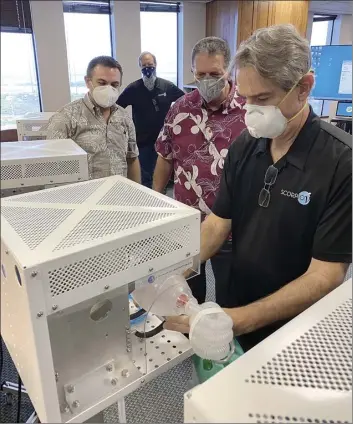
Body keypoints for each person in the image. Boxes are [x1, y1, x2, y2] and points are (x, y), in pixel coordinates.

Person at [165, 24, 352, 352]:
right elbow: (219, 223)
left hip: (296, 326)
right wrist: (174, 269)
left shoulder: (340, 162)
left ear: (304, 87)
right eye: (247, 98)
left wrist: (242, 318)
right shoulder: (245, 146)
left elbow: (327, 274)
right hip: (236, 302)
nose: (251, 111)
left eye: (263, 99)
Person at [153, 37, 246, 304]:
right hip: (187, 223)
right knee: (187, 295)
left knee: (232, 297)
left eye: (215, 74)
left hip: (232, 226)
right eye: (200, 74)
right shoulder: (179, 109)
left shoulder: (250, 110)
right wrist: (155, 200)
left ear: (229, 71)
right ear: (192, 72)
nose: (207, 80)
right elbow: (165, 157)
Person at [46, 56, 141, 183]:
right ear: (88, 81)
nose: (108, 89)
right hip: (83, 197)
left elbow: (132, 158)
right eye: (102, 83)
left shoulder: (124, 117)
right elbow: (54, 167)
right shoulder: (66, 117)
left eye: (114, 85)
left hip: (118, 193)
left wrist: (135, 194)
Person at [117, 52, 184, 188]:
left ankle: (162, 200)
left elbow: (185, 101)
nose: (148, 68)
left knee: (162, 176)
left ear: (156, 65)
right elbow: (117, 107)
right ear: (140, 67)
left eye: (150, 65)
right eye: (144, 65)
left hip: (164, 140)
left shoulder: (167, 86)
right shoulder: (133, 88)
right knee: (145, 176)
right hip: (143, 141)